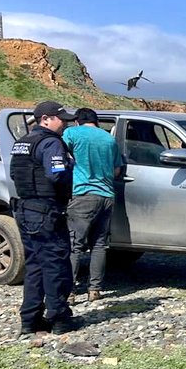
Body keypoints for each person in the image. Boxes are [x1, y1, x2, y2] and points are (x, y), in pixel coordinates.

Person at [8, 100, 79, 335]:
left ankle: (30, 320)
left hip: (25, 209)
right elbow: (56, 175)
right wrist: (70, 168)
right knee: (56, 265)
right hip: (47, 211)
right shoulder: (51, 143)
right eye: (61, 120)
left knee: (35, 266)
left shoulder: (23, 142)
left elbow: (14, 173)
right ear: (46, 119)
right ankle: (59, 319)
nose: (64, 124)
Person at [64, 108, 123, 303]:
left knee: (74, 245)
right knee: (99, 244)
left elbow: (58, 154)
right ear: (96, 122)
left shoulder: (72, 133)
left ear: (77, 121)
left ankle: (69, 292)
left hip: (82, 194)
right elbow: (116, 170)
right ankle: (94, 289)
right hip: (106, 195)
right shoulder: (109, 139)